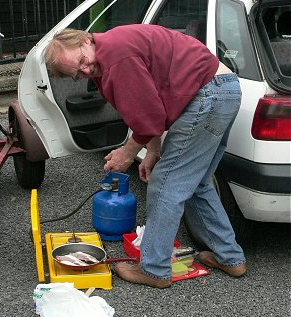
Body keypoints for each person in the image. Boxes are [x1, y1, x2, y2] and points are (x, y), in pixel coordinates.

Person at [44, 24, 247, 288]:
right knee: (196, 182)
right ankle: (230, 258)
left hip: (207, 93)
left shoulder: (117, 56)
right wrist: (152, 150)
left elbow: (150, 118)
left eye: (82, 61)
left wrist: (126, 155)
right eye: (76, 74)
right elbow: (148, 107)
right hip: (224, 90)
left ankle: (153, 269)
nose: (84, 70)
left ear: (85, 40)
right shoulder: (107, 57)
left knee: (165, 184)